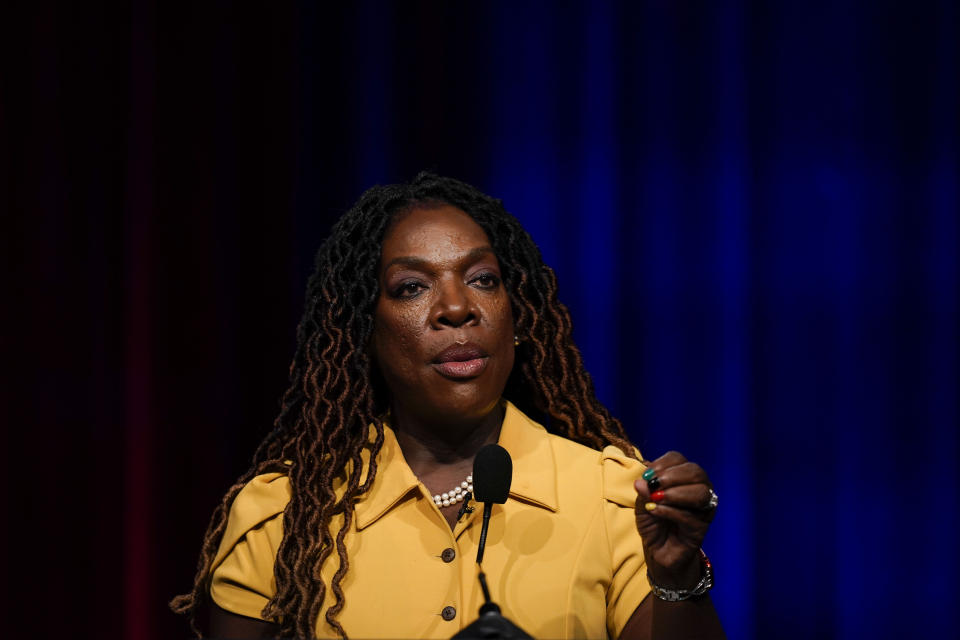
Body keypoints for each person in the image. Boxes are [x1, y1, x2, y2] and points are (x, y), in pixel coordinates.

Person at [171, 173, 725, 639]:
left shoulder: (615, 499)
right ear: (363, 330)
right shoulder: (281, 515)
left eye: (483, 279)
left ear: (517, 314)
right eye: (412, 287)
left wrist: (676, 576)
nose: (457, 307)